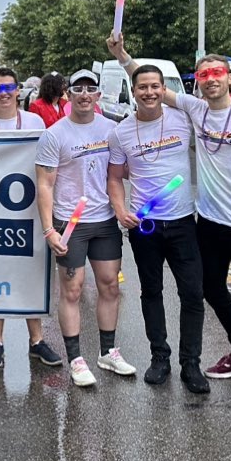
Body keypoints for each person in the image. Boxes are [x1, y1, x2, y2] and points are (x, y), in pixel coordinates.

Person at [108, 36, 231, 406]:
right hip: (202, 223)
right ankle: (191, 356)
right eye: (205, 74)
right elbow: (148, 83)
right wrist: (121, 57)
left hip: (230, 223)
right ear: (197, 80)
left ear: (230, 77)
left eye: (218, 72)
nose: (211, 79)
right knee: (206, 290)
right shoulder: (194, 110)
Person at [107, 65, 209, 393]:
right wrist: (121, 210)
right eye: (142, 87)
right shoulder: (121, 132)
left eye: (155, 87)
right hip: (145, 226)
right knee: (151, 292)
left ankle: (190, 363)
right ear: (133, 90)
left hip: (182, 222)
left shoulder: (182, 119)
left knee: (192, 293)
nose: (149, 93)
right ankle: (159, 357)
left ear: (163, 89)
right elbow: (115, 176)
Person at [35, 69, 135, 387]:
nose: (84, 94)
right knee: (73, 290)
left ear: (98, 96)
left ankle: (108, 352)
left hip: (104, 221)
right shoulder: (54, 134)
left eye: (90, 89)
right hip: (70, 222)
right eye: (77, 89)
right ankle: (76, 359)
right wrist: (49, 229)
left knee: (109, 286)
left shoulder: (112, 130)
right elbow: (45, 185)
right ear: (68, 95)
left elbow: (123, 172)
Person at [0, 66, 61, 371]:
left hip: (27, 210)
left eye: (9, 88)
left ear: (18, 90)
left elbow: (48, 162)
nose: (4, 94)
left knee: (29, 272)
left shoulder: (35, 122)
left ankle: (37, 340)